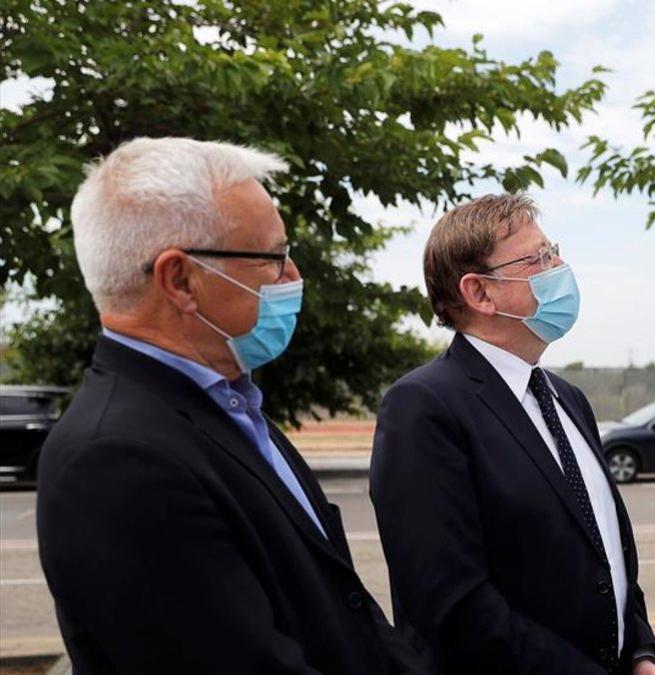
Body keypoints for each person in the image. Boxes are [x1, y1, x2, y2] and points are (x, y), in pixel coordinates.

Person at [36, 137, 432, 674]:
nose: (293, 279)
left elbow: (349, 611)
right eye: (274, 257)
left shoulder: (230, 407)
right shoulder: (117, 460)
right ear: (180, 280)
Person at [370, 194, 655, 674]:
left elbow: (604, 554)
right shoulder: (424, 407)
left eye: (555, 251)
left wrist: (642, 652)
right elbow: (451, 605)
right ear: (480, 293)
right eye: (539, 258)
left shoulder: (568, 399)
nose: (560, 267)